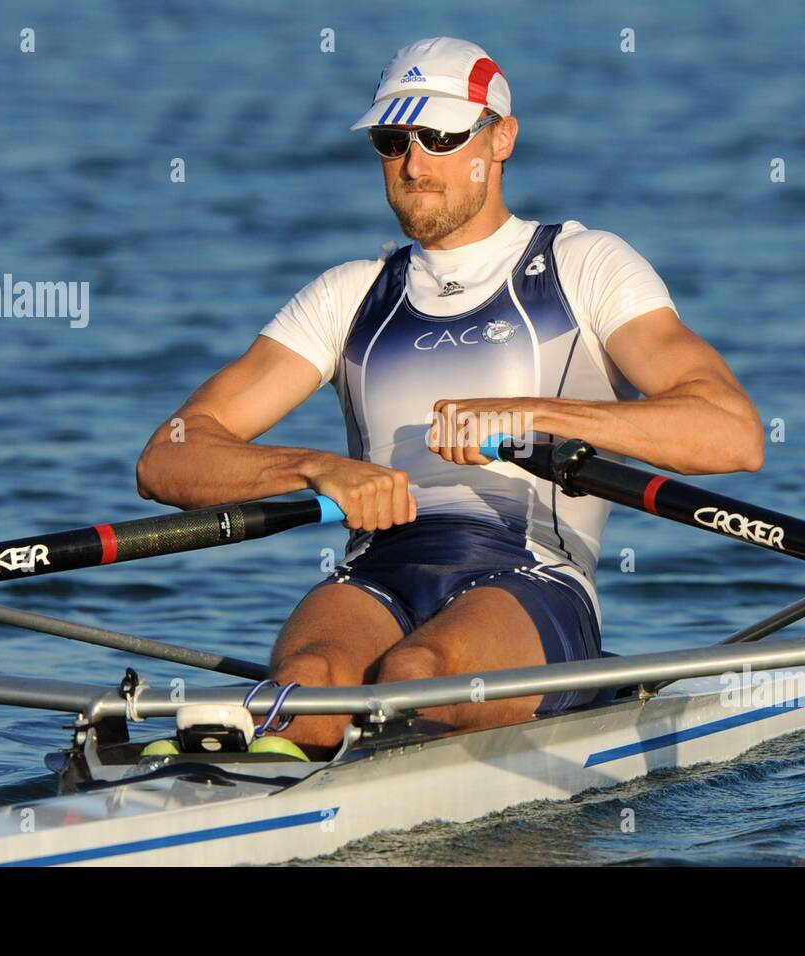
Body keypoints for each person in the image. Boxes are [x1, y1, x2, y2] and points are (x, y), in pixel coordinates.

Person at [136, 36, 763, 759]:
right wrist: (314, 468)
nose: (412, 162)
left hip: (533, 578)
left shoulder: (584, 266)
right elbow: (168, 457)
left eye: (439, 136)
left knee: (416, 675)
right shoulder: (350, 295)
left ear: (501, 139)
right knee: (308, 689)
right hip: (375, 572)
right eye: (391, 139)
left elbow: (733, 432)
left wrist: (534, 417)